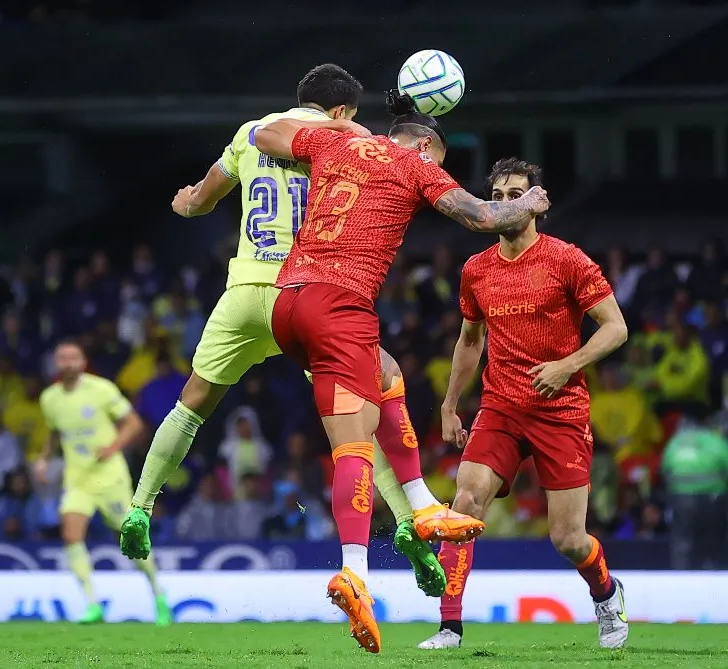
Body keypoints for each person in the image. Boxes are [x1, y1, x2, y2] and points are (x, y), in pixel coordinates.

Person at [118, 65, 479, 602]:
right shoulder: (346, 143)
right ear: (339, 112)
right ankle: (410, 522)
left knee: (192, 402)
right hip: (309, 293)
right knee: (362, 410)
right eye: (351, 117)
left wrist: (185, 200)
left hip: (243, 293)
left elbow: (201, 199)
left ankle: (140, 505)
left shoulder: (250, 133)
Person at [254, 98, 551, 652]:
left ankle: (422, 508)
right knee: (355, 445)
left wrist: (340, 124)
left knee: (387, 373)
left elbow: (264, 134)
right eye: (438, 155)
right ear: (424, 146)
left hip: (287, 305)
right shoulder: (414, 164)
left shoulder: (336, 141)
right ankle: (355, 574)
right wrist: (530, 200)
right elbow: (485, 217)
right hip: (340, 305)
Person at [415, 158, 629, 651]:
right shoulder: (476, 270)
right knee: (465, 502)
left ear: (538, 202)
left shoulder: (567, 260)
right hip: (502, 406)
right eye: (499, 196)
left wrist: (567, 365)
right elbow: (470, 342)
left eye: (516, 194)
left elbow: (616, 328)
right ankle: (450, 627)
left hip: (562, 408)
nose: (507, 203)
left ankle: (605, 593)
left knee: (567, 539)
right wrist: (450, 403)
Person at [35, 340, 171, 625]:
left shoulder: (101, 389)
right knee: (71, 534)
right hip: (77, 479)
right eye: (62, 357)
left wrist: (112, 447)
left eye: (73, 357)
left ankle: (159, 595)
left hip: (109, 477)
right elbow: (54, 431)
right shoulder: (50, 398)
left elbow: (133, 423)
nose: (67, 362)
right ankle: (93, 606)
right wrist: (44, 459)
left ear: (83, 362)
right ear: (55, 364)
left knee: (132, 539)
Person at [661, 414, 728, 570]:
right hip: (713, 501)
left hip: (681, 501)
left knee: (684, 546)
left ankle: (682, 581)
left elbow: (665, 471)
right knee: (715, 547)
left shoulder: (676, 442)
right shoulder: (716, 440)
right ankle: (718, 580)